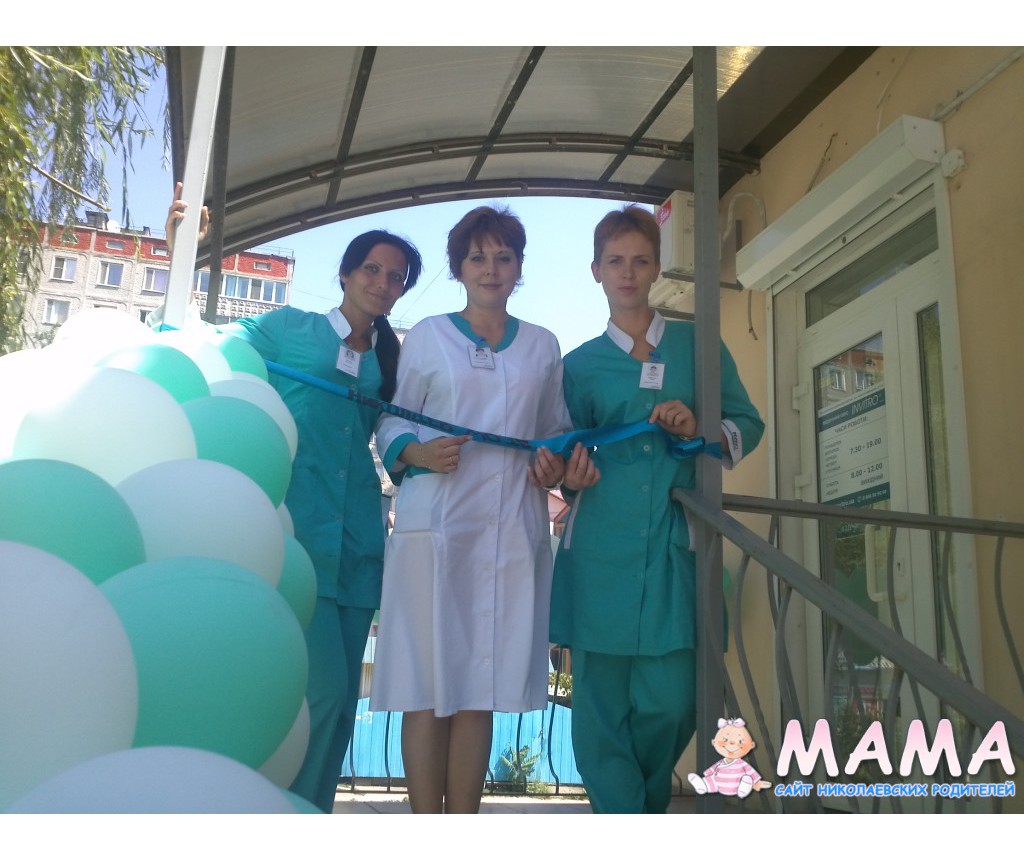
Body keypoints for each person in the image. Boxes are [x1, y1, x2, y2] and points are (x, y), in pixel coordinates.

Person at [164, 184, 424, 813]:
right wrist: (180, 256)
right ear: (345, 274)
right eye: (372, 269)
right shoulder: (289, 328)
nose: (383, 283)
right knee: (323, 693)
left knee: (340, 712)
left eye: (396, 277)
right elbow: (203, 345)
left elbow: (402, 427)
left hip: (359, 547)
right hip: (295, 536)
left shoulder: (393, 360)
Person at [370, 205, 592, 813]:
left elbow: (555, 432)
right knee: (426, 687)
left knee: (478, 690)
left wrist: (551, 463)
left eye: (503, 257)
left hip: (510, 531)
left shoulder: (542, 345)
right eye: (477, 258)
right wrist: (416, 451)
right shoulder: (430, 336)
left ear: (518, 268)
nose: (490, 269)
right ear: (459, 269)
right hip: (438, 527)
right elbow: (392, 419)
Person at [550, 205, 764, 814]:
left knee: (674, 700)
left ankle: (635, 809)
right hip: (600, 548)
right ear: (596, 270)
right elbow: (563, 450)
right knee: (600, 709)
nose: (627, 272)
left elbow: (747, 422)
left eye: (640, 260)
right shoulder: (578, 365)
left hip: (674, 546)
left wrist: (699, 428)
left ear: (656, 268)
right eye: (615, 260)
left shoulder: (698, 346)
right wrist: (570, 475)